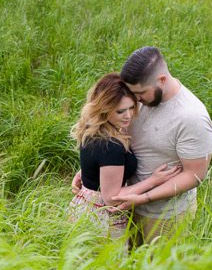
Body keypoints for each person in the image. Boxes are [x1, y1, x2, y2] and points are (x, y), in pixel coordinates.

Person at [71, 47, 212, 246]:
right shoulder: (134, 100)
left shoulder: (192, 117)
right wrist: (91, 171)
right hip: (124, 206)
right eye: (133, 94)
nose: (136, 101)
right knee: (123, 269)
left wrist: (144, 197)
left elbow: (194, 175)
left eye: (140, 94)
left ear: (162, 80)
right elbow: (112, 136)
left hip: (164, 215)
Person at [68, 72, 180, 240]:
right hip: (101, 216)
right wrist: (153, 181)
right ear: (105, 109)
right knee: (110, 264)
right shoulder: (111, 145)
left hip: (85, 206)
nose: (128, 115)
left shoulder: (94, 129)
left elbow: (98, 161)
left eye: (131, 107)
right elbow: (112, 199)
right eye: (120, 111)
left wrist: (85, 172)